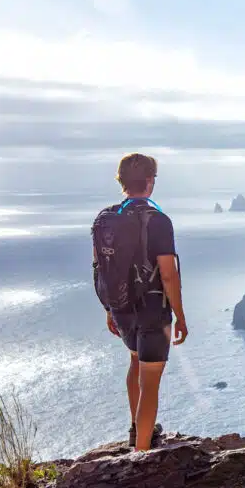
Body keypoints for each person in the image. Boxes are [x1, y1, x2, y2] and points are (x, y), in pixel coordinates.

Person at [91, 153, 189, 451]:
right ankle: (142, 452)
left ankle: (136, 429)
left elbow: (99, 267)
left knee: (135, 361)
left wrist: (110, 308)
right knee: (151, 379)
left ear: (121, 182)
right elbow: (169, 275)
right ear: (149, 181)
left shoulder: (105, 220)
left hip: (121, 309)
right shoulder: (158, 221)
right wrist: (180, 316)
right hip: (152, 311)